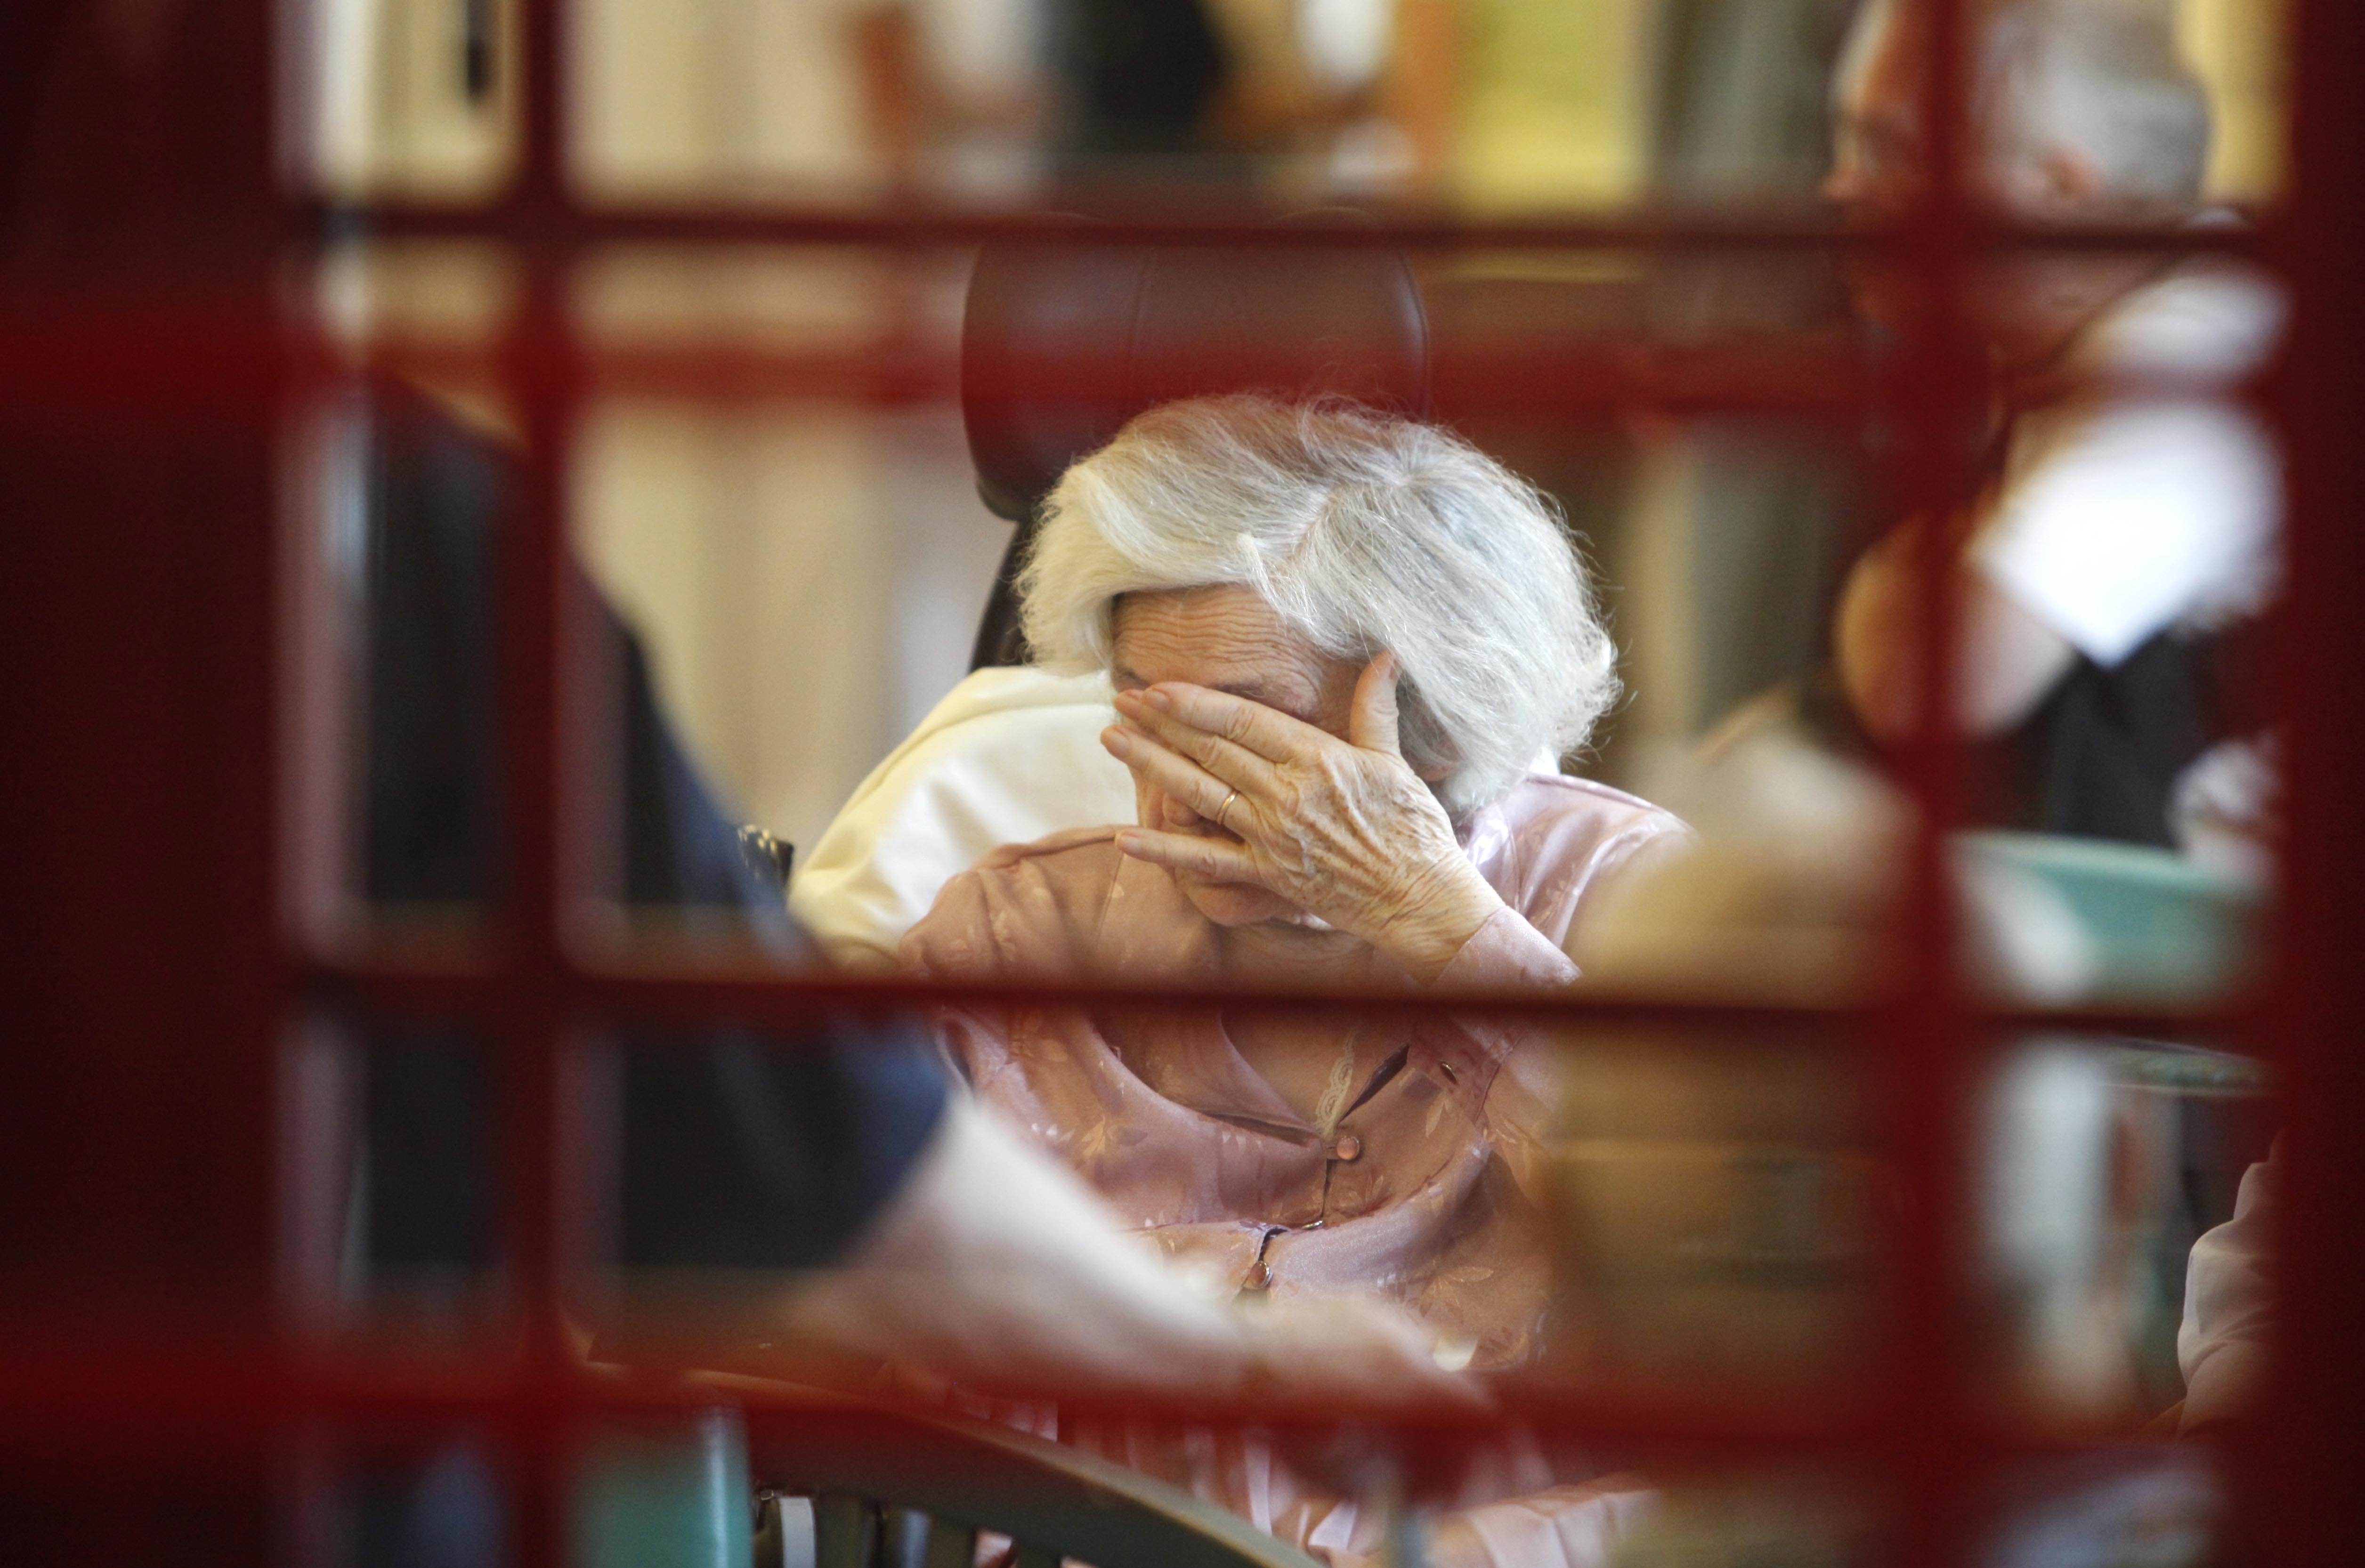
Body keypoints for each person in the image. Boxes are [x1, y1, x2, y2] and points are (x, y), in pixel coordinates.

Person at [899, 393, 1687, 1565]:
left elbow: (1760, 1306)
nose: (1175, 794)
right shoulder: (1014, 940)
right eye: (1146, 715)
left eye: (1240, 730)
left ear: (1430, 723)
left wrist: (1434, 922)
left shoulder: (1638, 908)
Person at [1826, 0, 2280, 846]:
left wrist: (1889, 576)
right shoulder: (2085, 323)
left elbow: (1929, 681)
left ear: (2058, 190)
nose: (1841, 189)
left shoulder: (2189, 351)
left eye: (1889, 151)